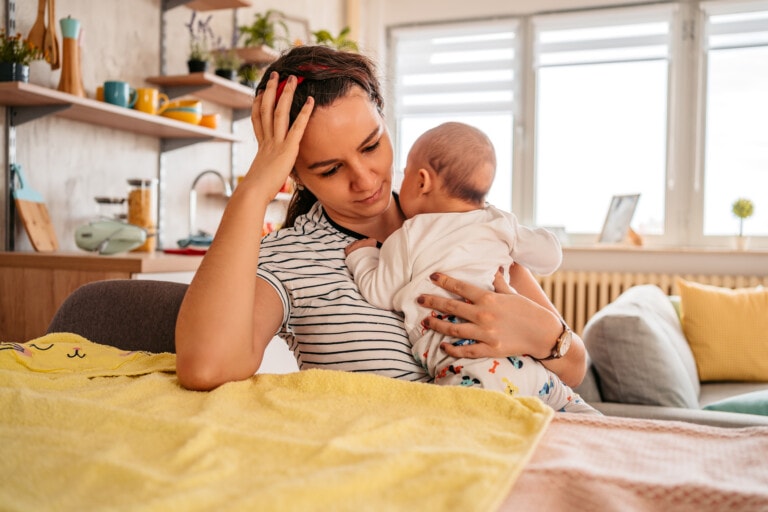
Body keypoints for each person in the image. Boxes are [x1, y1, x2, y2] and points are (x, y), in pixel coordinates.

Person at [174, 45, 588, 394]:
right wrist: (254, 189)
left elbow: (575, 367)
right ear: (294, 173)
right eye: (330, 169)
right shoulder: (290, 257)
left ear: (385, 121)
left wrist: (545, 336)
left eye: (371, 146)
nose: (365, 179)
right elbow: (206, 368)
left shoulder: (456, 216)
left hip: (534, 441)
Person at [344, 122, 597, 413]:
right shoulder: (499, 221)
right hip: (533, 370)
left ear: (422, 181)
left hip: (473, 370)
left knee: (463, 429)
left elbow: (379, 291)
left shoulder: (409, 235)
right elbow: (550, 257)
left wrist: (362, 257)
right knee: (594, 426)